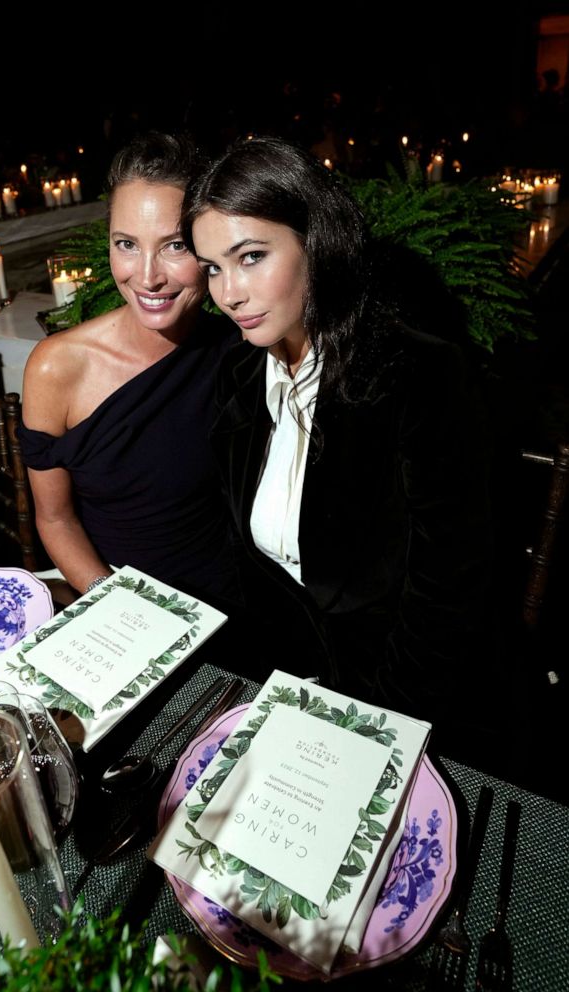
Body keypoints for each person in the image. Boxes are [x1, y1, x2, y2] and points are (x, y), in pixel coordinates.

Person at [182, 136, 493, 723]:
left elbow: (449, 593)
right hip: (292, 684)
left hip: (411, 697)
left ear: (316, 243)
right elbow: (259, 574)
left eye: (251, 257)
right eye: (213, 268)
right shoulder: (240, 371)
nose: (229, 294)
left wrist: (376, 725)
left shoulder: (419, 375)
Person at [18, 133, 240, 607]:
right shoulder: (57, 367)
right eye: (127, 244)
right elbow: (56, 519)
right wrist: (115, 602)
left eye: (175, 245)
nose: (146, 276)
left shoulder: (239, 349)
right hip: (116, 603)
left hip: (237, 602)